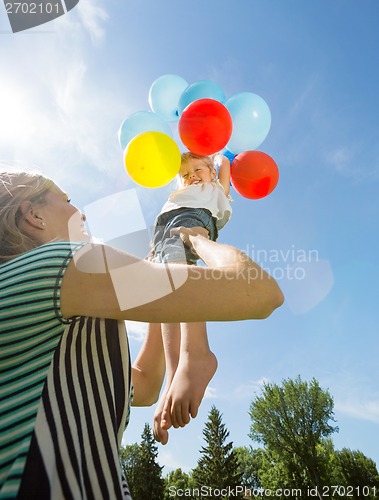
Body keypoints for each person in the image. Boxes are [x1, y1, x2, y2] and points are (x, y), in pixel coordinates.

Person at [0, 169, 284, 499]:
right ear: (34, 215)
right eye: (67, 200)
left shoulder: (48, 299)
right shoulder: (57, 264)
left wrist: (158, 282)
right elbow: (259, 292)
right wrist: (197, 238)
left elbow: (145, 384)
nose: (82, 213)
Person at [149, 152, 233, 445]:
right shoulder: (180, 192)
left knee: (180, 266)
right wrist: (154, 248)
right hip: (163, 230)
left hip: (192, 220)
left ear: (210, 171)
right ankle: (173, 373)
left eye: (198, 169)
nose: (191, 175)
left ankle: (197, 351)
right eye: (185, 173)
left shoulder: (214, 189)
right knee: (166, 291)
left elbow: (223, 169)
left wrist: (224, 157)